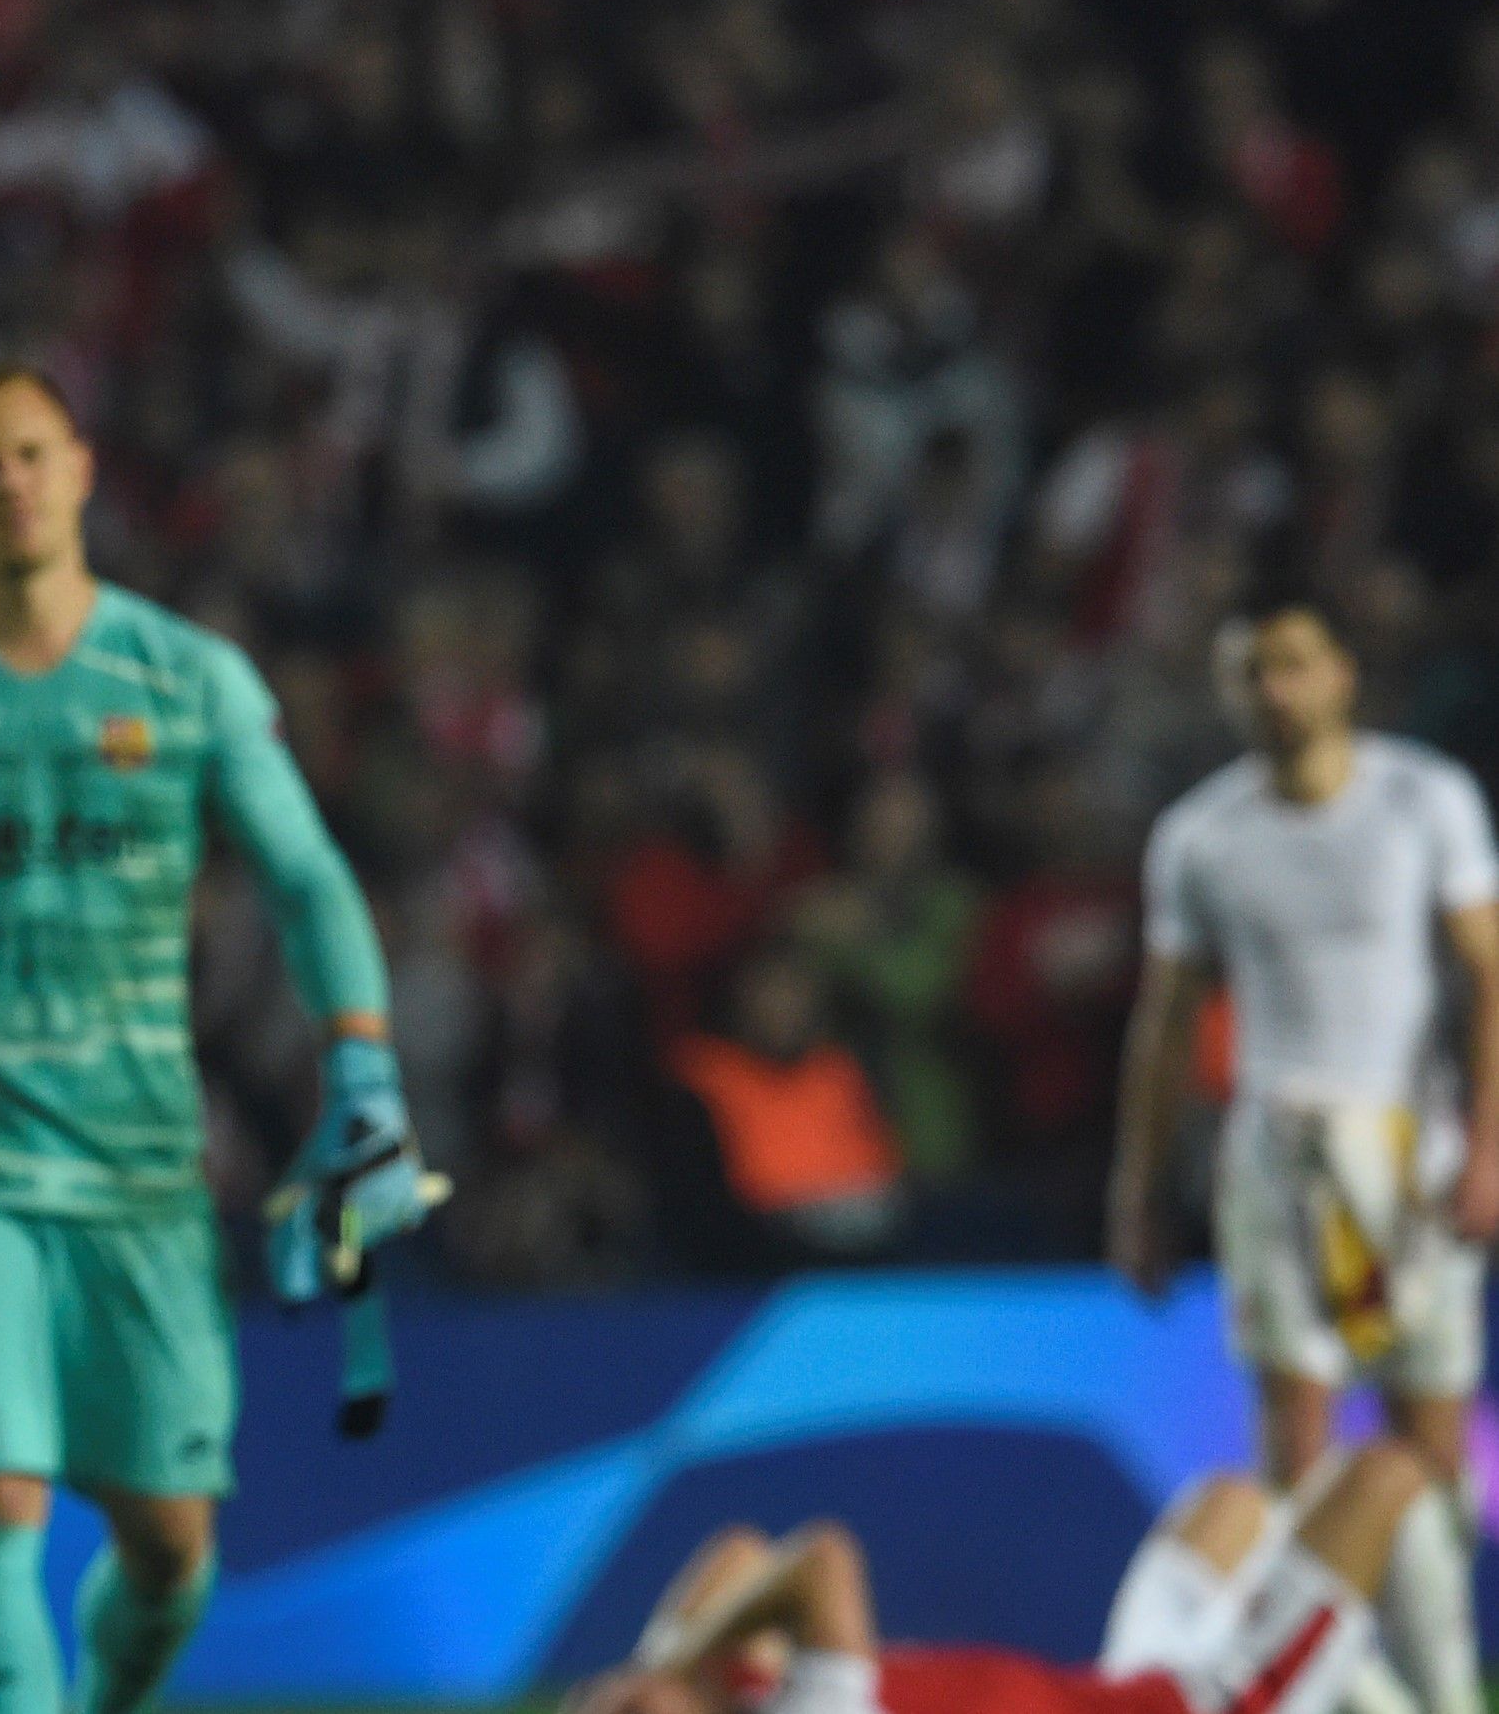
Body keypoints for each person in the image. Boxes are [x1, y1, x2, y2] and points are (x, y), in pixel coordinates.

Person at [0, 365, 429, 1714]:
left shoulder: (186, 678)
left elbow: (306, 874)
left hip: (138, 1166)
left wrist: (364, 1068)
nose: (10, 483)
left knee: (172, 1549)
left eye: (31, 455)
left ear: (82, 467)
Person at [1108, 591, 1499, 1710]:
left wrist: (1488, 1144)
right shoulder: (1201, 834)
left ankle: (1439, 1676)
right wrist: (1137, 1189)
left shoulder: (1425, 799)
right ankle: (1366, 1695)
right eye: (1248, 672)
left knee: (1429, 1452)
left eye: (1289, 664)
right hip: (1278, 1156)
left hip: (1404, 1154)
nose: (1271, 691)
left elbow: (1489, 976)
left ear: (1342, 675)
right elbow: (1167, 1019)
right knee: (1300, 1453)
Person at [562, 1436, 1457, 1714]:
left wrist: (662, 1660)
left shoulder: (740, 1683)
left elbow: (741, 1553)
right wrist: (672, 1658)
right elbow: (825, 1559)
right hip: (1211, 1705)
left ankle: (1350, 1674)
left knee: (1228, 1504)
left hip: (1121, 1686)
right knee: (1387, 1476)